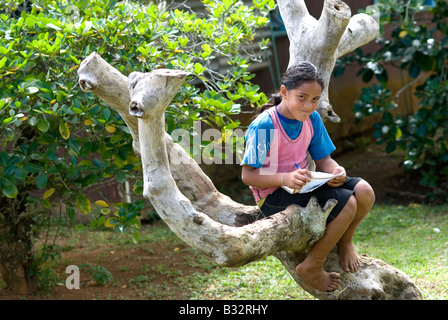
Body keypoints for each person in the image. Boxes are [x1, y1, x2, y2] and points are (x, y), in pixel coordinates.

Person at [241, 61, 375, 292]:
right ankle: (312, 265)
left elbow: (324, 160)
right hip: (273, 195)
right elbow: (248, 175)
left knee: (364, 191)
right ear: (284, 92)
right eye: (302, 97)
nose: (308, 105)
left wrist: (335, 171)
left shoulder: (311, 119)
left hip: (305, 185)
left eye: (314, 99)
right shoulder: (264, 125)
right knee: (347, 204)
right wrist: (284, 178)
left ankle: (345, 241)